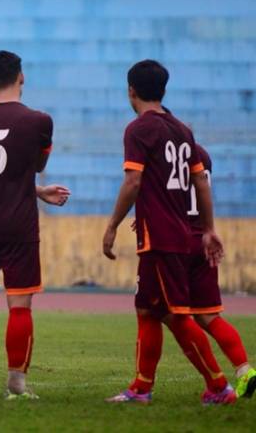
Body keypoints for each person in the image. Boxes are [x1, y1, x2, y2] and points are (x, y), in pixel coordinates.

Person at [102, 59, 234, 405]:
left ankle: (219, 386)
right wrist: (208, 228)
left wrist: (112, 225)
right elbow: (201, 181)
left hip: (160, 238)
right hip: (176, 233)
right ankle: (141, 388)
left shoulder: (138, 129)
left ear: (131, 90)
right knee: (148, 310)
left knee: (175, 315)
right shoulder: (181, 129)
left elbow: (133, 181)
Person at [0, 50, 70, 400]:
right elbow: (36, 165)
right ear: (21, 76)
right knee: (19, 305)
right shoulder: (40, 121)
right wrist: (35, 189)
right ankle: (16, 385)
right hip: (19, 224)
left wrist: (34, 190)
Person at [186, 144, 255, 397]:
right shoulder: (202, 154)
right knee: (207, 316)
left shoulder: (169, 153)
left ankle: (215, 384)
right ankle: (245, 371)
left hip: (176, 242)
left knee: (166, 315)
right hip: (203, 239)